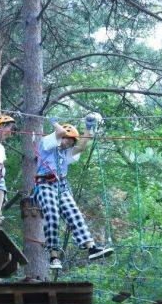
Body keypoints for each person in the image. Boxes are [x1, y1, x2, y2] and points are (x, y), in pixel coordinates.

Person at [34, 115, 113, 270]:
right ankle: (54, 256)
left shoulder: (66, 153)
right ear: (61, 137)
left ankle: (92, 248)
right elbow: (61, 131)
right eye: (67, 140)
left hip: (61, 187)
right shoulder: (47, 144)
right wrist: (54, 122)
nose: (68, 143)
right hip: (44, 185)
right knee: (52, 214)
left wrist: (88, 128)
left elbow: (82, 147)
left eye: (71, 142)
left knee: (74, 214)